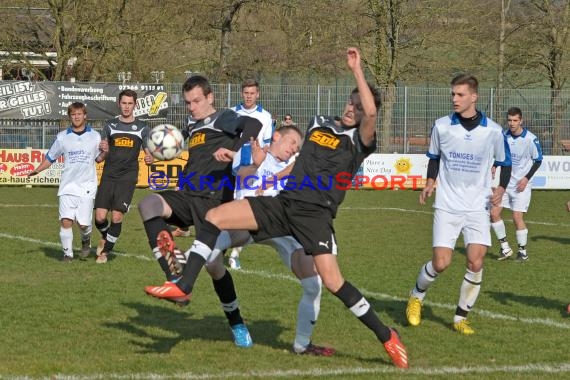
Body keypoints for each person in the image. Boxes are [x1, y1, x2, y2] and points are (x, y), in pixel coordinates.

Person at [145, 47, 409, 368]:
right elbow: (278, 161)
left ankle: (386, 335)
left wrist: (357, 70)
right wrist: (238, 158)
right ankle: (183, 285)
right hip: (282, 205)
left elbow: (369, 112)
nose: (352, 108)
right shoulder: (318, 123)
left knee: (332, 282)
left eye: (358, 105)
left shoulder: (361, 139)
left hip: (314, 217)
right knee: (215, 217)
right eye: (349, 102)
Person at [138, 75, 262, 348]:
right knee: (148, 204)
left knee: (214, 266)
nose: (191, 106)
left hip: (214, 202)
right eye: (187, 102)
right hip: (186, 194)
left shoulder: (225, 118)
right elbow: (177, 145)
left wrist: (232, 149)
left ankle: (237, 323)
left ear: (210, 98)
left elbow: (252, 124)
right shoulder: (192, 126)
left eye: (196, 101)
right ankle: (175, 276)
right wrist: (157, 154)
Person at [194, 124, 334, 355]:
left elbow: (305, 167)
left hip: (281, 227)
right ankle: (237, 323)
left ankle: (302, 344)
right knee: (212, 263)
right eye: (292, 143)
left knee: (313, 285)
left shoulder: (294, 165)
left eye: (297, 147)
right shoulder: (252, 151)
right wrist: (252, 162)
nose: (293, 149)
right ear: (276, 136)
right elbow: (242, 177)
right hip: (247, 221)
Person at [405, 74, 512, 335]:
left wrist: (500, 189)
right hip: (447, 205)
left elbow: (505, 163)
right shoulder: (442, 126)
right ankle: (416, 295)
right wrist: (430, 181)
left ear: (474, 97)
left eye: (460, 94)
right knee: (441, 263)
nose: (454, 98)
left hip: (477, 206)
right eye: (453, 94)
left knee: (476, 261)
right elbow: (434, 157)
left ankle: (460, 318)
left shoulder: (494, 131)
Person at [28, 102, 105, 262]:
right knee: (66, 220)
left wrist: (106, 152)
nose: (76, 117)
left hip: (87, 186)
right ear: (70, 117)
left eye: (79, 114)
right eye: (73, 114)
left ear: (85, 116)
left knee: (84, 225)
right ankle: (67, 254)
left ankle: (86, 240)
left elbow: (98, 159)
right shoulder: (62, 137)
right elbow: (51, 157)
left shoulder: (95, 136)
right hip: (68, 185)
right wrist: (38, 169)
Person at [94, 89, 153, 264]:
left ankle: (104, 252)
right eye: (124, 103)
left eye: (130, 103)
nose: (126, 107)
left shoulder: (142, 127)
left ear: (135, 105)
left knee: (117, 216)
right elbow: (101, 155)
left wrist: (150, 158)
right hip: (108, 175)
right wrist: (102, 150)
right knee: (100, 217)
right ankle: (107, 236)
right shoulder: (109, 125)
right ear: (118, 104)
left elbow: (149, 154)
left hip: (128, 177)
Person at [228, 79, 274, 269]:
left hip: (253, 169)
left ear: (258, 94)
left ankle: (234, 254)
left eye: (252, 93)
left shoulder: (265, 116)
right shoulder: (232, 113)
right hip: (231, 166)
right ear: (242, 93)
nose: (248, 96)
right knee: (229, 212)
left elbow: (267, 144)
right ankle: (221, 248)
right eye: (246, 93)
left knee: (245, 212)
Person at [491, 107, 542, 261]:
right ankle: (505, 248)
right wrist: (494, 165)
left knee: (516, 216)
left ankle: (523, 252)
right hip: (505, 184)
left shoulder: (530, 139)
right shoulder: (504, 136)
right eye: (509, 120)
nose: (512, 123)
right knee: (494, 213)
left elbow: (538, 160)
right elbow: (500, 155)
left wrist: (526, 178)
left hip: (521, 185)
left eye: (515, 120)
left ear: (521, 121)